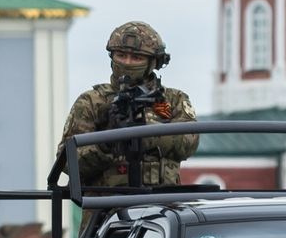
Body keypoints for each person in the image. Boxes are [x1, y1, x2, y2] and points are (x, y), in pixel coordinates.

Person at [61, 22, 198, 190]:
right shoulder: (91, 101)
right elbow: (68, 162)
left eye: (137, 58)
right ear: (112, 57)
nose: (127, 62)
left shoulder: (173, 99)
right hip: (106, 208)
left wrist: (146, 133)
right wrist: (106, 141)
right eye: (121, 55)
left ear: (153, 62)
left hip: (162, 206)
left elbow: (189, 142)